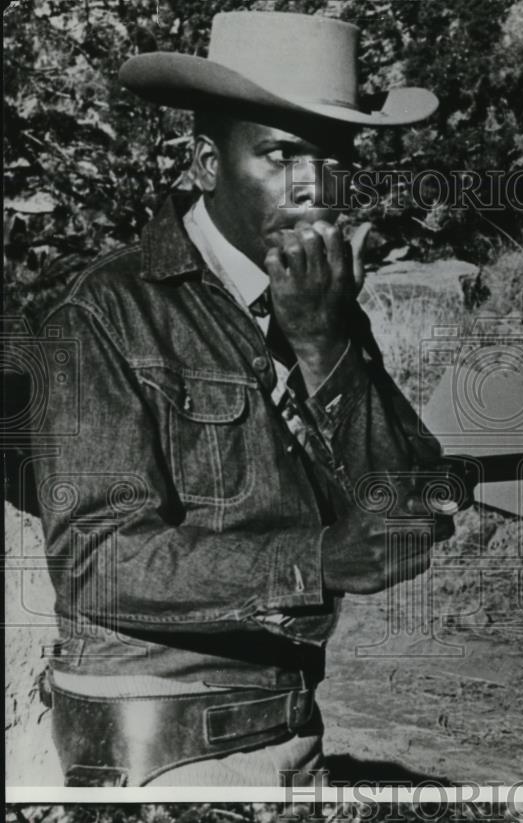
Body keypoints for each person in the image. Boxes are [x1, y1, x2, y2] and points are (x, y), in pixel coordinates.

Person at [32, 10, 458, 787]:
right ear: (204, 162)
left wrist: (327, 348)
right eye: (282, 155)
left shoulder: (322, 308)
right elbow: (96, 559)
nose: (315, 189)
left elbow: (410, 507)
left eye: (335, 162)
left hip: (286, 723)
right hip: (159, 737)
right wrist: (315, 557)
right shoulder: (106, 312)